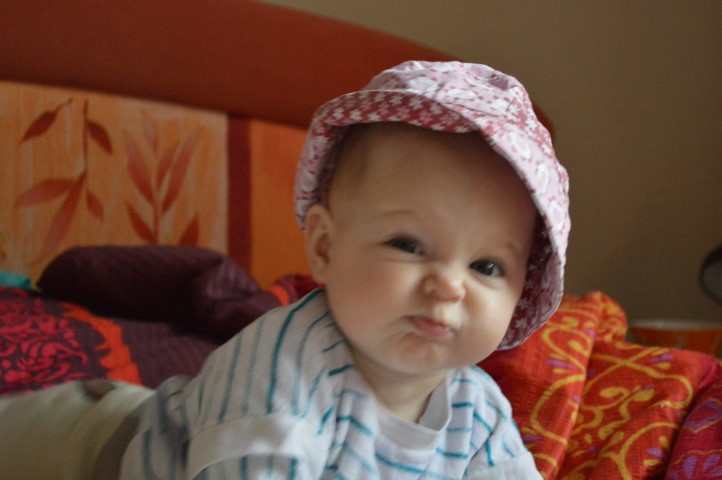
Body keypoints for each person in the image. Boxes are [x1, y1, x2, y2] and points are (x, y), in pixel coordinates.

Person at [0, 60, 569, 479]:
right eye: (408, 244)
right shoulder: (285, 366)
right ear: (323, 247)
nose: (448, 285)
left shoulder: (479, 414)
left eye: (487, 265)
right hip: (88, 449)